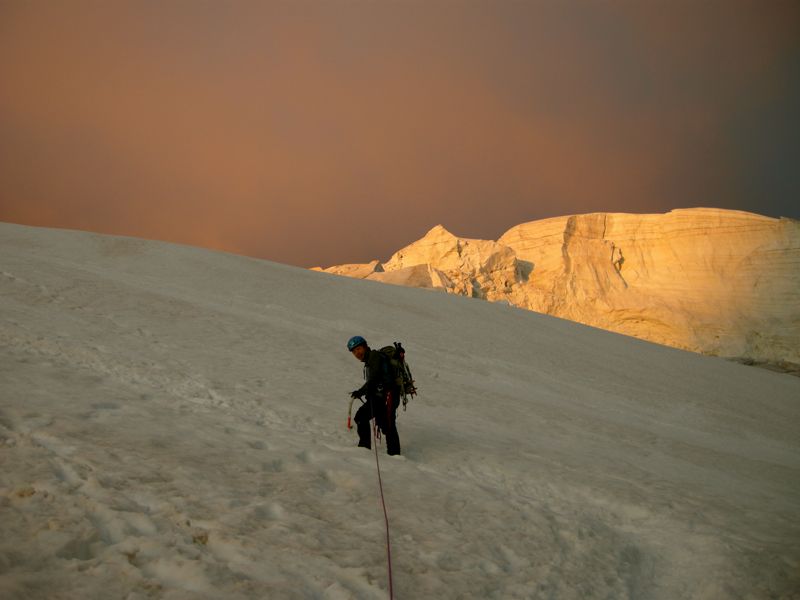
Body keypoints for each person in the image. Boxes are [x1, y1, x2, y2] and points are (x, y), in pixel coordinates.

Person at [347, 335, 401, 456]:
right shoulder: (370, 360)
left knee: (386, 423)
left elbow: (375, 378)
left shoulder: (374, 356)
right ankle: (389, 454)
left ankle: (392, 454)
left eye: (359, 349)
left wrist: (361, 391)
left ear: (365, 346)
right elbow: (375, 380)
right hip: (380, 396)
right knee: (381, 422)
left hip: (388, 395)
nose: (357, 353)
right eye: (354, 351)